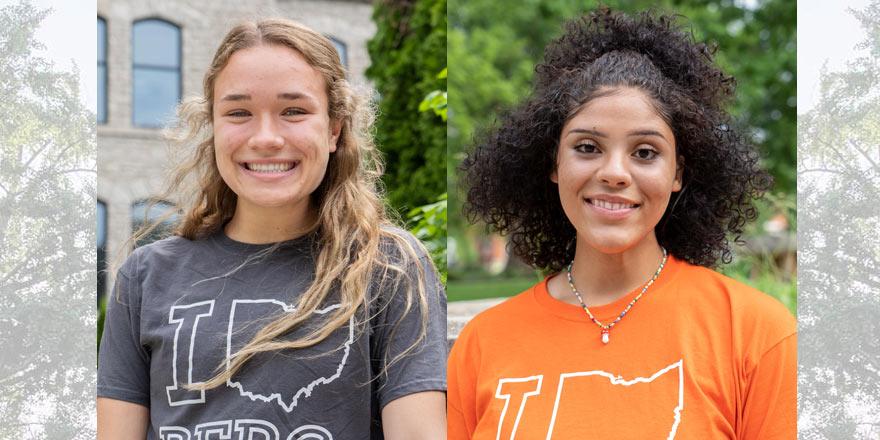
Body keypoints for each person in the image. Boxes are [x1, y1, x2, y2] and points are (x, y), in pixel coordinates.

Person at [448, 8, 795, 439]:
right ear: (553, 162)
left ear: (678, 174)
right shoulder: (482, 343)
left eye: (645, 152)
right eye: (588, 147)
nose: (615, 172)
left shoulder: (756, 332)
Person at [97, 18, 446, 439]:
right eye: (239, 112)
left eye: (293, 111)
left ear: (334, 129)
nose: (265, 138)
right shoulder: (145, 275)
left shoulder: (388, 267)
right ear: (213, 126)